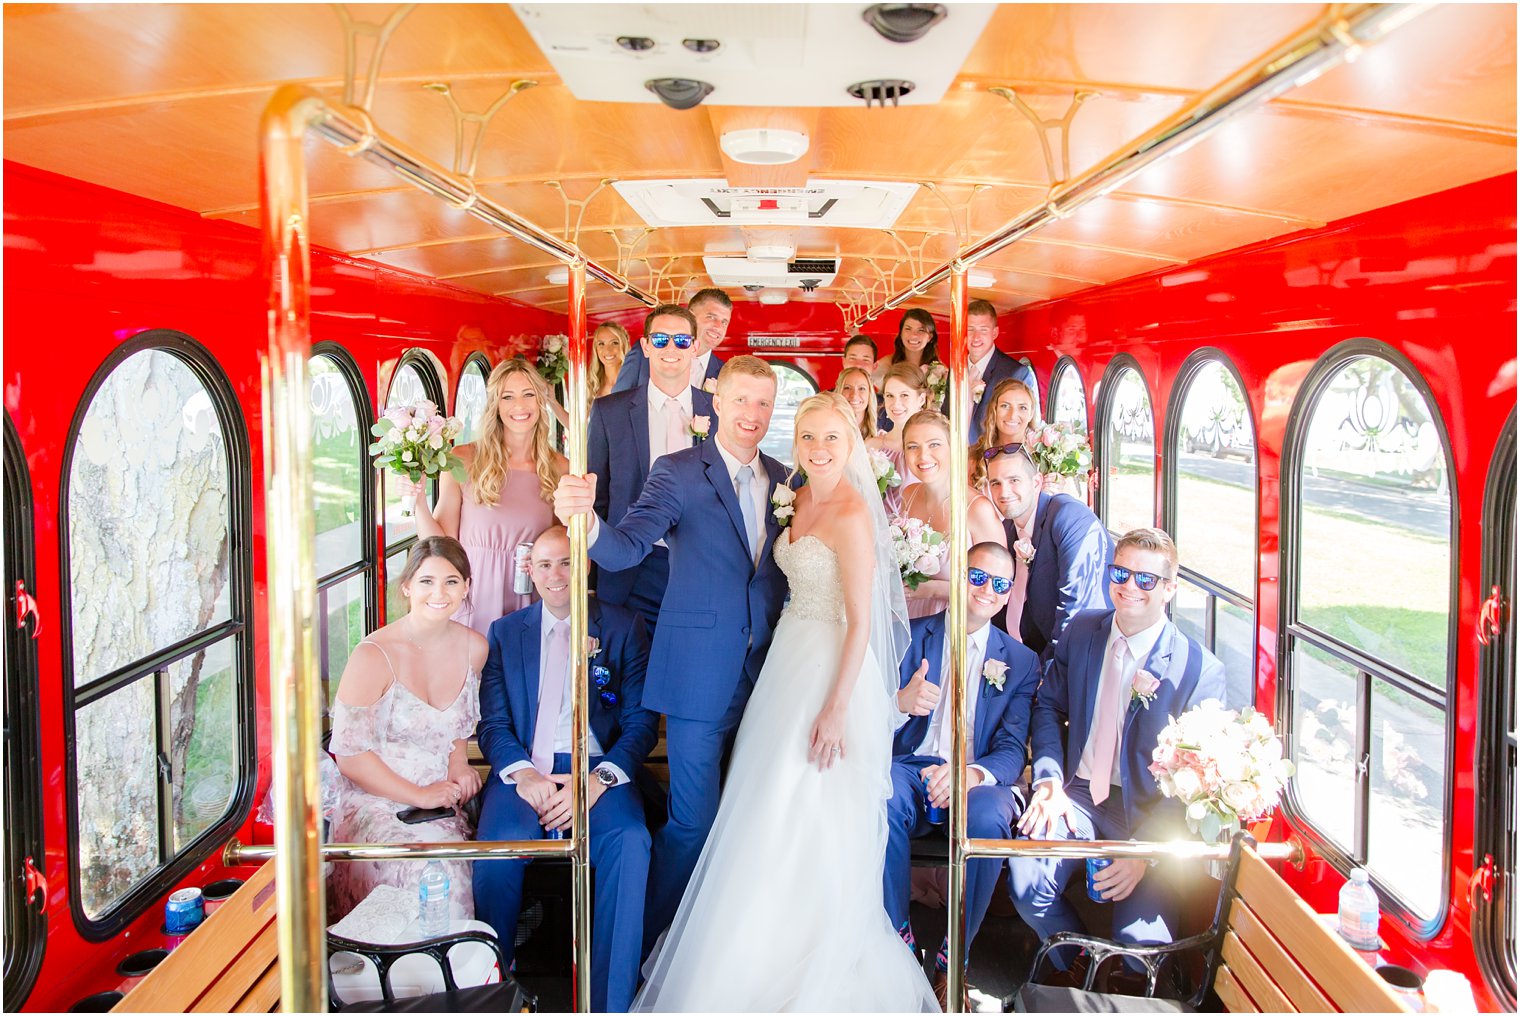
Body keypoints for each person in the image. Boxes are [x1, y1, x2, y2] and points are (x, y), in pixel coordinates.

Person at [631, 392, 937, 1012]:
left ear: (851, 443)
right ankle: (752, 949)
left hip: (831, 675)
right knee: (762, 807)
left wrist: (836, 707)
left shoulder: (852, 513)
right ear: (794, 444)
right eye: (807, 438)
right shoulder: (794, 497)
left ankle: (813, 964)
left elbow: (859, 623)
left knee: (811, 813)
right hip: (784, 664)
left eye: (830, 438)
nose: (818, 450)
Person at [553, 355, 790, 953]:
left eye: (764, 403)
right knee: (692, 824)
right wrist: (583, 523)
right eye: (741, 400)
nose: (752, 415)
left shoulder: (787, 479)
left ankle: (726, 940)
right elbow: (627, 546)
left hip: (769, 676)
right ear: (716, 402)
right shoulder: (679, 471)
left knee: (753, 823)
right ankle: (645, 944)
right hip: (696, 678)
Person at [1007, 528, 1226, 978]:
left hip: (1147, 815)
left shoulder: (1198, 671)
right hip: (1080, 795)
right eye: (1120, 572)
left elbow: (1198, 784)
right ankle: (1079, 964)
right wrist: (1048, 779)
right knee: (1027, 886)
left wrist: (1144, 853)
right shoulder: (1083, 631)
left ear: (1170, 588)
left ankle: (1122, 971)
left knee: (1142, 947)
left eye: (1146, 579)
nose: (1129, 586)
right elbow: (1049, 705)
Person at [472, 526, 657, 1013]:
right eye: (546, 564)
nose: (557, 575)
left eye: (568, 562)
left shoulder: (623, 627)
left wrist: (595, 780)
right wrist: (525, 776)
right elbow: (493, 723)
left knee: (631, 842)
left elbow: (640, 723)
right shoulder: (506, 633)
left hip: (597, 769)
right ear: (529, 572)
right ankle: (495, 984)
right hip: (525, 770)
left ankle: (609, 1000)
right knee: (496, 851)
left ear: (587, 565)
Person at [886, 542, 1041, 1009]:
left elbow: (1012, 749)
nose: (986, 591)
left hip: (976, 777)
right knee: (881, 792)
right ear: (958, 575)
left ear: (1009, 592)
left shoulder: (1020, 661)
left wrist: (970, 774)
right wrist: (899, 704)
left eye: (1000, 584)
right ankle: (899, 941)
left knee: (992, 818)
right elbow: (866, 714)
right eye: (977, 577)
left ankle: (956, 955)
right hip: (914, 765)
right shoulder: (909, 636)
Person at [327, 537, 487, 921]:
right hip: (377, 798)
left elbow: (457, 729)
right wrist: (419, 794)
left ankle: (454, 972)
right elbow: (349, 756)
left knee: (451, 869)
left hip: (440, 799)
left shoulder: (474, 648)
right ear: (407, 587)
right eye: (427, 581)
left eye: (451, 581)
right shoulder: (373, 655)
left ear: (466, 587)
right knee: (425, 871)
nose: (439, 592)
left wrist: (459, 765)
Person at [409, 359, 565, 635]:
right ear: (495, 405)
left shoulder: (560, 467)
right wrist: (417, 501)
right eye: (508, 396)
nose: (520, 405)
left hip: (529, 598)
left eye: (528, 394)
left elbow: (564, 546)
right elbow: (441, 543)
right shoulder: (463, 459)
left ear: (540, 401)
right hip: (472, 596)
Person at [588, 304, 717, 629]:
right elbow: (598, 496)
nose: (670, 349)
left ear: (695, 347)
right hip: (628, 566)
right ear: (645, 346)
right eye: (660, 340)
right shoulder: (608, 411)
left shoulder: (718, 412)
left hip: (698, 564)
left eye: (681, 341)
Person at [983, 445, 1113, 657]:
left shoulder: (1069, 518)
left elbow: (1076, 612)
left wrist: (1045, 677)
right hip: (1024, 654)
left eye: (1014, 480)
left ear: (1036, 482)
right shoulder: (1006, 530)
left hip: (1079, 657)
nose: (1004, 492)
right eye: (995, 483)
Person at [897, 410, 1006, 618]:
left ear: (952, 448)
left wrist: (932, 590)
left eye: (934, 444)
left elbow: (997, 588)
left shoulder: (977, 510)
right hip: (909, 619)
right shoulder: (908, 495)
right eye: (912, 447)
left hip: (955, 625)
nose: (923, 456)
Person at [612, 288, 731, 394]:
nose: (718, 327)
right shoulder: (644, 351)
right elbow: (617, 402)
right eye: (711, 317)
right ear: (691, 316)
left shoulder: (725, 373)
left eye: (724, 322)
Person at [964, 299, 1039, 441]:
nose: (976, 337)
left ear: (994, 333)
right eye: (970, 329)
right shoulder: (955, 371)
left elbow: (1019, 425)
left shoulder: (1015, 373)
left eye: (983, 330)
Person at [867, 363, 929, 515]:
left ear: (921, 399)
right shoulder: (871, 447)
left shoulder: (934, 450)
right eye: (890, 396)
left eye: (904, 395)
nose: (896, 404)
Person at [969, 377, 1037, 486]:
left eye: (1022, 408)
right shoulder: (974, 457)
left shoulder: (1043, 456)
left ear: (1031, 414)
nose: (1013, 415)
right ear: (994, 410)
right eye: (1005, 406)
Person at [871, 308, 940, 389]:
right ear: (901, 334)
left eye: (921, 330)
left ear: (930, 337)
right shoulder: (887, 364)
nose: (913, 335)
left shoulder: (938, 369)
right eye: (908, 329)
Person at [835, 365, 879, 441]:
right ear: (839, 392)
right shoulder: (827, 431)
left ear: (869, 394)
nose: (854, 395)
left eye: (861, 388)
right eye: (847, 388)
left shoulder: (881, 436)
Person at [591, 321, 631, 398]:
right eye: (601, 344)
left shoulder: (636, 383)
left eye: (614, 343)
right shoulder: (590, 386)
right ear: (596, 349)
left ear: (624, 346)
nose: (607, 350)